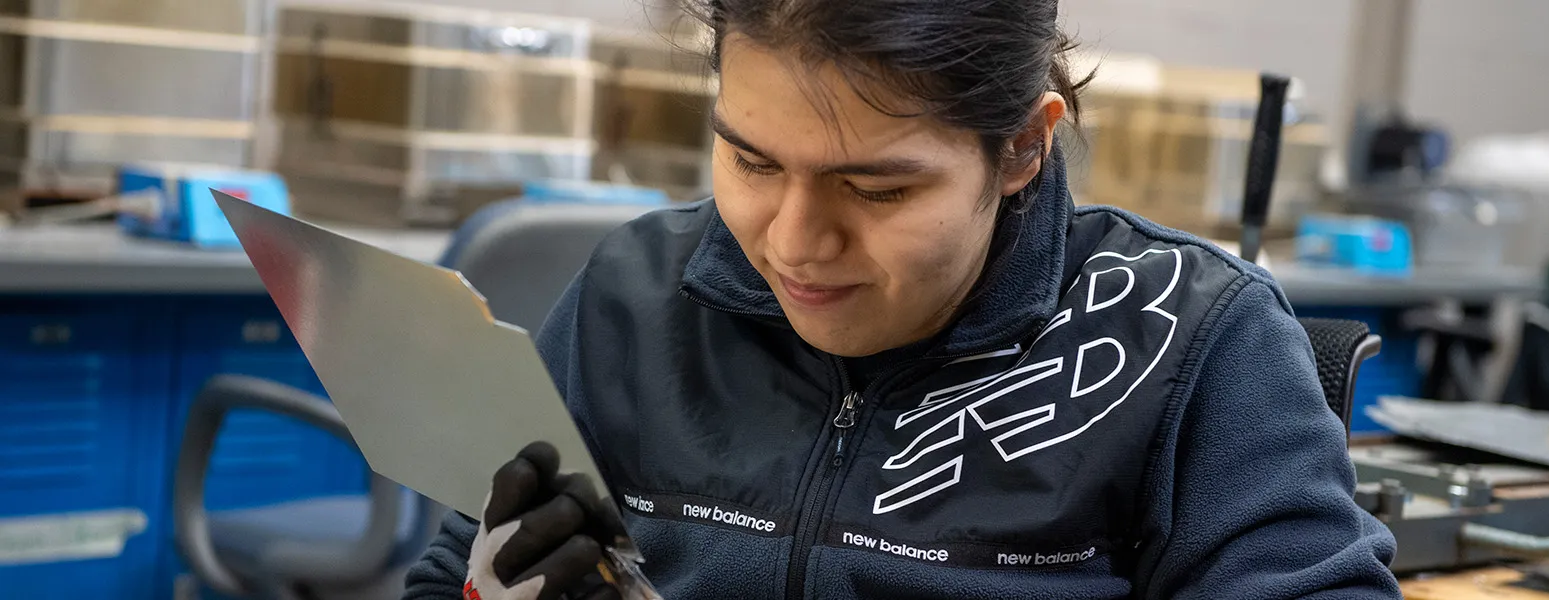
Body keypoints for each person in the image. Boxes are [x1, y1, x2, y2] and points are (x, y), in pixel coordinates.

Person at [403, 0, 1403, 597]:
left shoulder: (1194, 339)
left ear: (1021, 146)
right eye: (750, 159)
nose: (792, 242)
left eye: (875, 189)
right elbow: (453, 564)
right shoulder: (632, 294)